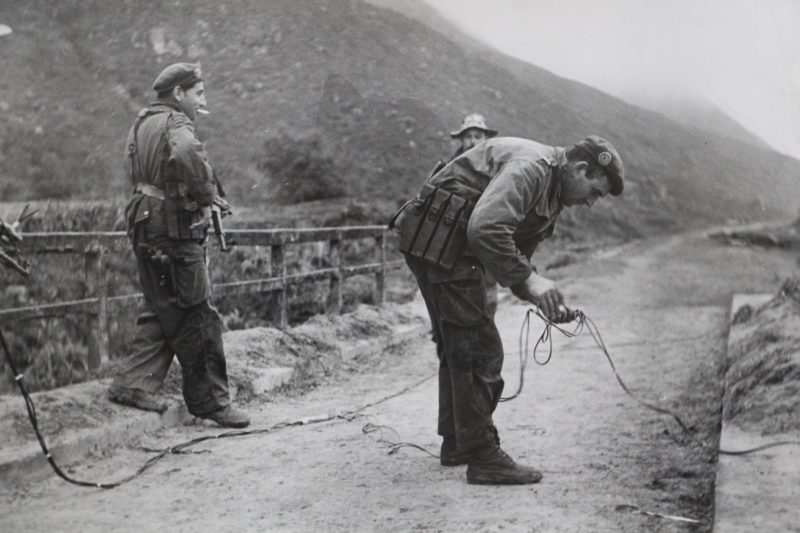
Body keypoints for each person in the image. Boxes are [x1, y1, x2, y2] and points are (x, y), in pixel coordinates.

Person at [396, 135, 624, 484]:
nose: (591, 203)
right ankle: (483, 456)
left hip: (444, 242)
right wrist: (529, 281)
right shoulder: (531, 170)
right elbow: (485, 228)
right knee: (480, 348)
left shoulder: (551, 191)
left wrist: (540, 296)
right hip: (442, 241)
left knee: (459, 343)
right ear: (580, 169)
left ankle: (458, 442)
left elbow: (516, 258)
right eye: (594, 192)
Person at [107, 62, 250, 428]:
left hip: (143, 222)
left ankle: (132, 383)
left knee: (163, 304)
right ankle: (212, 403)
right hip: (172, 228)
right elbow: (186, 151)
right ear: (179, 94)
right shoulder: (177, 124)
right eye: (198, 93)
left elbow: (136, 171)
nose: (202, 101)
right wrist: (205, 197)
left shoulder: (141, 123)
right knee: (198, 311)